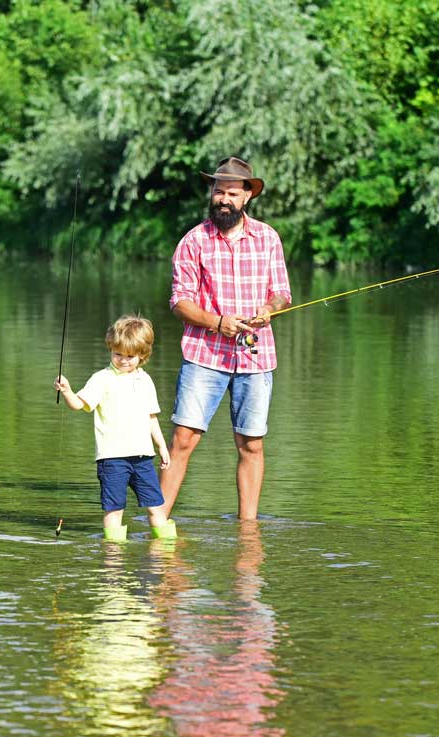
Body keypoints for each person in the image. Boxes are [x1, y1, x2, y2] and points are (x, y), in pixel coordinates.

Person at [160, 156, 292, 520]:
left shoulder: (268, 238)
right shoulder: (193, 241)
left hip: (256, 357)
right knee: (183, 440)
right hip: (204, 355)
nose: (223, 199)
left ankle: (247, 529)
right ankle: (157, 520)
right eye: (218, 191)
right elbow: (179, 302)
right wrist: (218, 322)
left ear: (247, 196)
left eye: (232, 193)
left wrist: (269, 309)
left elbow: (282, 293)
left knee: (251, 443)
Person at [54, 314, 176, 542]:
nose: (123, 360)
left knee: (156, 507)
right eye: (118, 353)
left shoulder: (145, 380)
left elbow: (151, 417)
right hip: (112, 459)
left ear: (142, 355)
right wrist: (68, 391)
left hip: (143, 457)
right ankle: (113, 557)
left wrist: (162, 447)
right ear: (111, 348)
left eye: (130, 356)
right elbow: (79, 404)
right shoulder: (102, 379)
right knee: (114, 510)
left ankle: (166, 552)